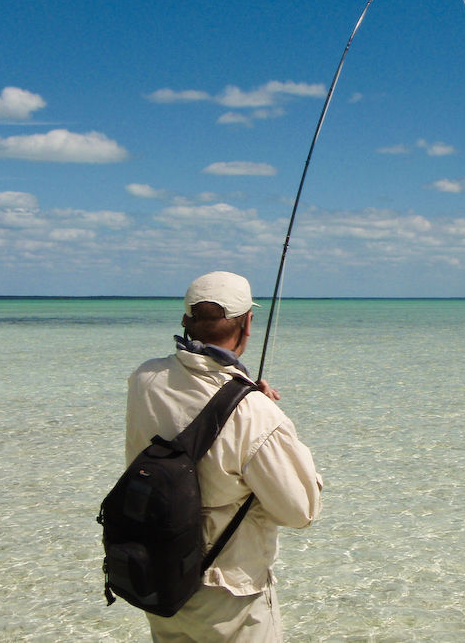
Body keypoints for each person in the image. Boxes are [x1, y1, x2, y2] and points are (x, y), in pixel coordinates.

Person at [125, 271, 323, 642]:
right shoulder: (255, 413)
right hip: (229, 592)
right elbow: (301, 512)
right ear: (248, 323)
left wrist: (247, 397)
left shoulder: (143, 379)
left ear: (186, 321)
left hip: (162, 578)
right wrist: (274, 420)